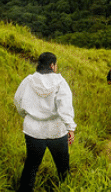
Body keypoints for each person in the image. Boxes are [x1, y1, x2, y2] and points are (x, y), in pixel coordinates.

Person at [14, 52, 76, 192]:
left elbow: (18, 100)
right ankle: (66, 188)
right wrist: (70, 127)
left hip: (33, 131)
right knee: (62, 166)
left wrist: (26, 115)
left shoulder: (28, 81)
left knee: (31, 165)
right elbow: (65, 106)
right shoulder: (60, 82)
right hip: (57, 130)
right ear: (52, 65)